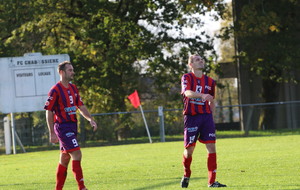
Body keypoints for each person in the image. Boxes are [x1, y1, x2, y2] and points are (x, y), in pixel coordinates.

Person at [44, 61, 98, 190]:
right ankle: (82, 187)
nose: (72, 72)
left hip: (73, 126)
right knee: (77, 153)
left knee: (65, 158)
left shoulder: (73, 88)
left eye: (72, 70)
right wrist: (51, 132)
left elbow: (81, 106)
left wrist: (90, 119)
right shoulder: (55, 90)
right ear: (62, 72)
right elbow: (49, 111)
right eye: (70, 70)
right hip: (62, 127)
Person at [180, 54, 226, 188]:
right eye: (197, 60)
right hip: (192, 117)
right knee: (189, 150)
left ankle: (212, 182)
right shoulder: (187, 77)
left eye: (201, 59)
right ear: (191, 65)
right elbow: (187, 93)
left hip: (206, 117)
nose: (201, 61)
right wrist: (202, 95)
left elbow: (212, 100)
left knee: (211, 146)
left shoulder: (210, 82)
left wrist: (212, 116)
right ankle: (186, 174)